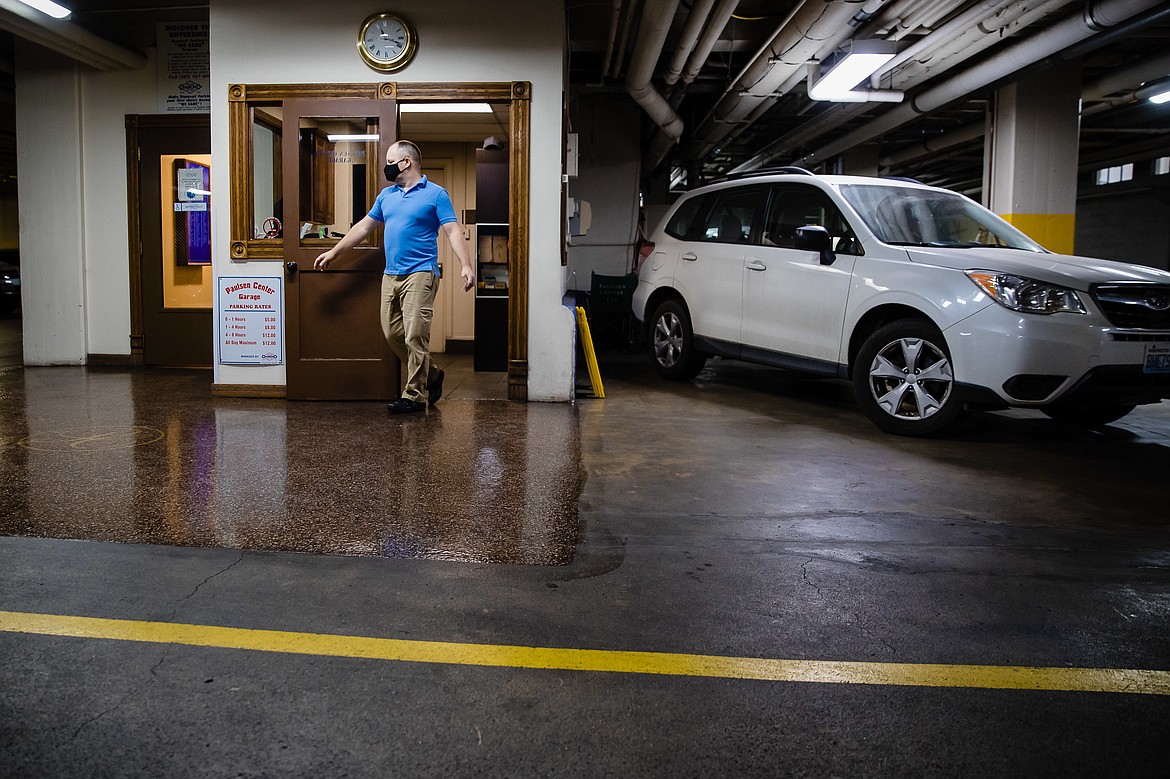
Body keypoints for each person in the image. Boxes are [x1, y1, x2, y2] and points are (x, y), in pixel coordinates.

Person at [314, 140, 475, 414]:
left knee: (415, 336)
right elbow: (364, 227)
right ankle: (433, 374)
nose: (386, 166)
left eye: (390, 160)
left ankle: (413, 395)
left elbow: (452, 231)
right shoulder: (386, 196)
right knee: (392, 333)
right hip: (391, 275)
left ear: (406, 162)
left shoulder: (436, 194)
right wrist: (334, 252)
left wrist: (466, 265)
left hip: (421, 274)